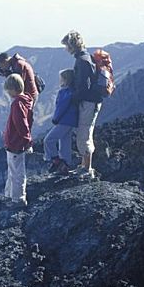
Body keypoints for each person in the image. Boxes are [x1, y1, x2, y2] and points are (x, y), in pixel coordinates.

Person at [61, 30, 102, 179]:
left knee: (83, 134)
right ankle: (85, 165)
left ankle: (87, 168)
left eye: (66, 45)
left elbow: (83, 86)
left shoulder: (82, 61)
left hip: (88, 102)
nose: (66, 49)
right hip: (92, 101)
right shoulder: (86, 57)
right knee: (85, 132)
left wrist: (73, 99)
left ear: (72, 45)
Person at [3, 73, 34, 205]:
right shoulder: (24, 100)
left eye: (8, 90)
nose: (8, 93)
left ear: (13, 89)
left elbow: (21, 124)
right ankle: (10, 195)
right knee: (13, 171)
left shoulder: (17, 104)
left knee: (17, 173)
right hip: (15, 144)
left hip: (15, 144)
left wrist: (27, 141)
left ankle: (18, 199)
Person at [43, 69, 78, 175]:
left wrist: (55, 118)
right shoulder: (73, 91)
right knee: (64, 142)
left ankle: (55, 160)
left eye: (61, 78)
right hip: (71, 121)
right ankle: (65, 165)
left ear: (65, 80)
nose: (59, 80)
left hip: (64, 120)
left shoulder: (64, 92)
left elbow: (61, 107)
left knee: (48, 140)